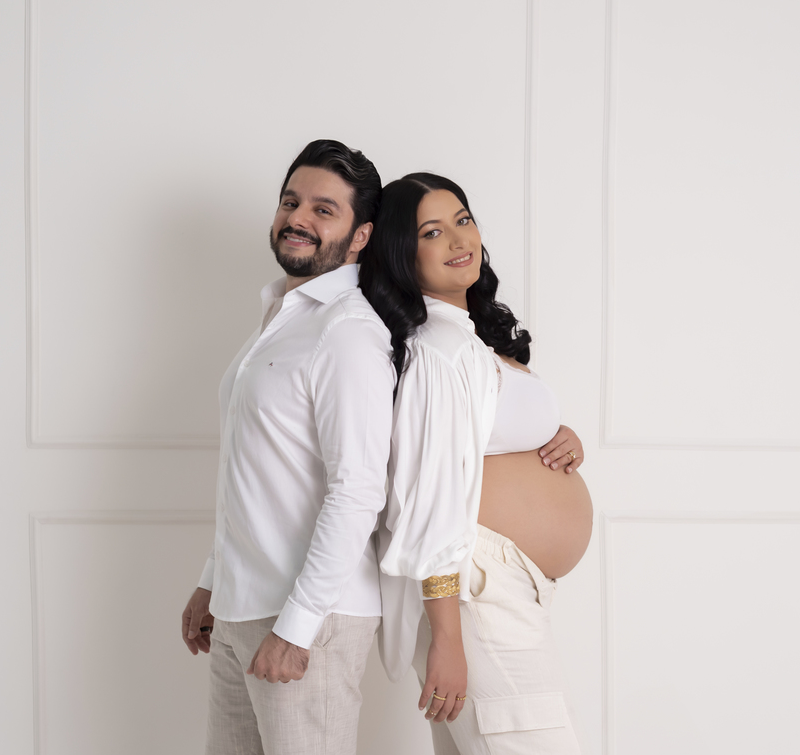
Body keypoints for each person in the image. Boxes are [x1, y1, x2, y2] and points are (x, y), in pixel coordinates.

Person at [359, 173, 594, 754]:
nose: (458, 238)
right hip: (472, 593)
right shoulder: (435, 351)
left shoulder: (469, 340)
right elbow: (429, 497)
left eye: (462, 220)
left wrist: (560, 438)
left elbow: (492, 430)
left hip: (497, 590)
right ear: (402, 253)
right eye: (432, 232)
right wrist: (448, 637)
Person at [180, 139, 394, 755]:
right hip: (243, 606)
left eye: (324, 209)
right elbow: (255, 470)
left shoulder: (347, 331)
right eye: (290, 201)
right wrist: (215, 580)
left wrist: (297, 628)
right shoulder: (283, 316)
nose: (298, 218)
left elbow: (357, 492)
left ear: (360, 236)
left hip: (307, 617)